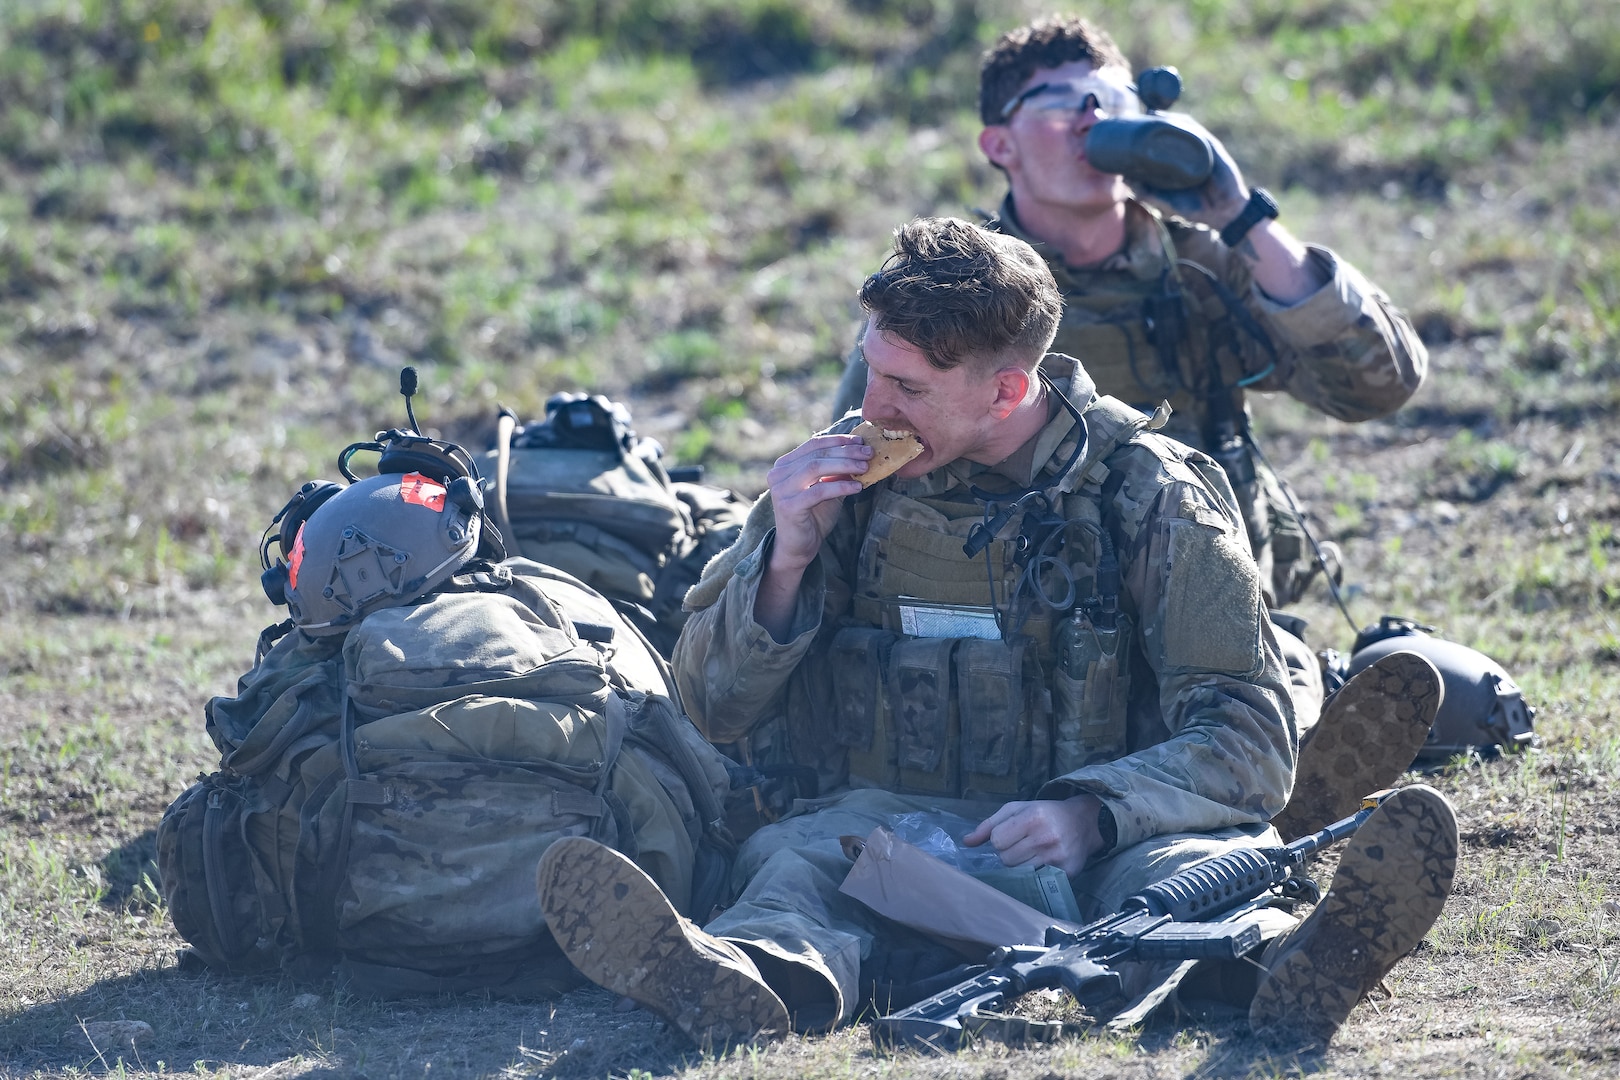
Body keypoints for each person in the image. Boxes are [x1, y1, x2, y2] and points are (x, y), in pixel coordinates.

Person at [538, 217, 1456, 1050]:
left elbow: (1250, 742)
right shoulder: (835, 485)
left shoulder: (1151, 496)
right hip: (880, 830)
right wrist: (782, 561)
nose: (875, 408)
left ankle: (1299, 964)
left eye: (907, 386)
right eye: (870, 370)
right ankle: (739, 984)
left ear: (1006, 388)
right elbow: (710, 707)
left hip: (1105, 838)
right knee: (789, 870)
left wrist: (1089, 812)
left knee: (1189, 876)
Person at [830, 15, 1430, 754]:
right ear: (999, 145)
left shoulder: (1198, 267)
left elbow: (1380, 384)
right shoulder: (962, 301)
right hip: (1032, 617)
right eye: (1061, 105)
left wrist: (1239, 215)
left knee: (1271, 693)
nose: (1091, 124)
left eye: (1110, 104)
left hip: (1210, 601)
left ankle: (1270, 759)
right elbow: (867, 470)